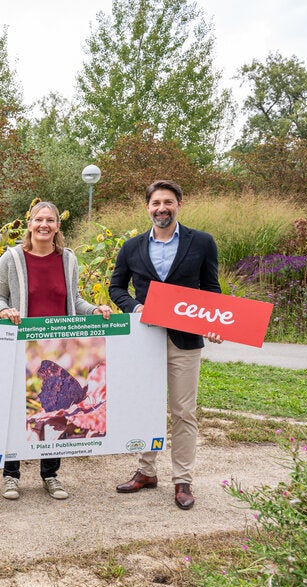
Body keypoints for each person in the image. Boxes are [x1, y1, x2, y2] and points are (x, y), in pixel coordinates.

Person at [109, 180, 222, 510]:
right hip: (146, 340)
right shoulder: (131, 247)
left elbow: (210, 289)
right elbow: (117, 288)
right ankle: (146, 472)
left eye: (168, 202)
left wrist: (213, 322)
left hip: (185, 341)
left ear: (179, 205)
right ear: (147, 207)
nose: (162, 208)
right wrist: (134, 307)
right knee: (147, 405)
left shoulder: (201, 242)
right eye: (156, 202)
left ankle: (182, 480)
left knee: (183, 412)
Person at [0, 201, 112, 501]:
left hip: (56, 345)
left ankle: (50, 474)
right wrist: (5, 312)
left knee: (58, 406)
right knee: (18, 408)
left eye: (51, 221)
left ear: (58, 226)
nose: (44, 225)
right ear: (29, 224)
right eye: (39, 220)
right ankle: (11, 475)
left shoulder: (67, 259)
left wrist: (94, 309)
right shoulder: (12, 258)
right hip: (21, 344)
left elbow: (75, 300)